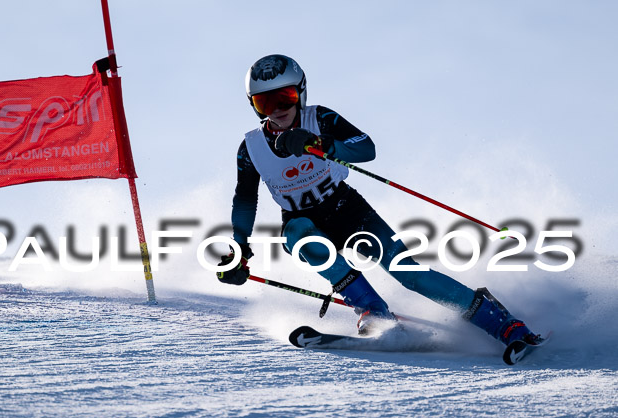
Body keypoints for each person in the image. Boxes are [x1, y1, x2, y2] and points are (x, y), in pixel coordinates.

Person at [217, 53, 540, 346]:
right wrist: (239, 248)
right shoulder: (251, 148)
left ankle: (504, 325)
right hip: (303, 220)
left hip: (347, 209)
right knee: (300, 237)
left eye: (284, 98)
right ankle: (374, 313)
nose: (277, 110)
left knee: (408, 273)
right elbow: (245, 199)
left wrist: (322, 144)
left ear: (301, 93)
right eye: (264, 103)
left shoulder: (321, 119)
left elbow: (366, 148)